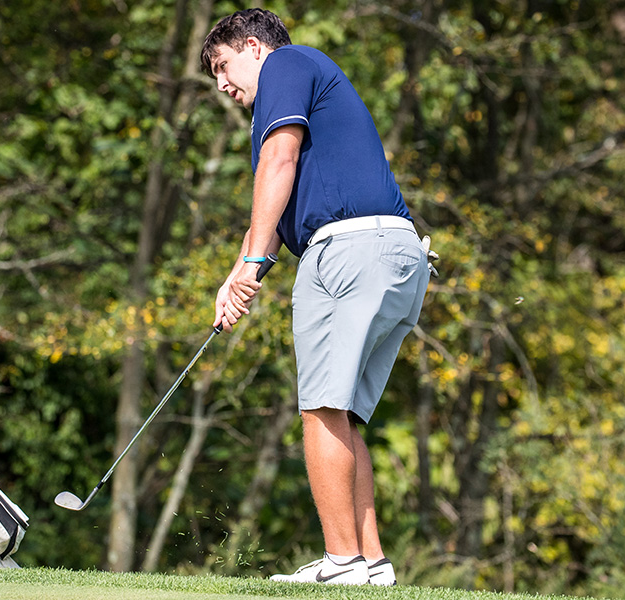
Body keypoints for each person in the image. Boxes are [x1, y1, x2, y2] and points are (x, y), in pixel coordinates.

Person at [201, 8, 433, 586]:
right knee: (346, 413)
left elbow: (278, 162)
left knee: (320, 408)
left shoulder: (285, 62)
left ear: (253, 47)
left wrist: (253, 263)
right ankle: (371, 563)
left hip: (349, 251)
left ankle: (342, 560)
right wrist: (239, 276)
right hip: (398, 255)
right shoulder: (304, 80)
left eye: (224, 67)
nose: (223, 85)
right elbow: (280, 210)